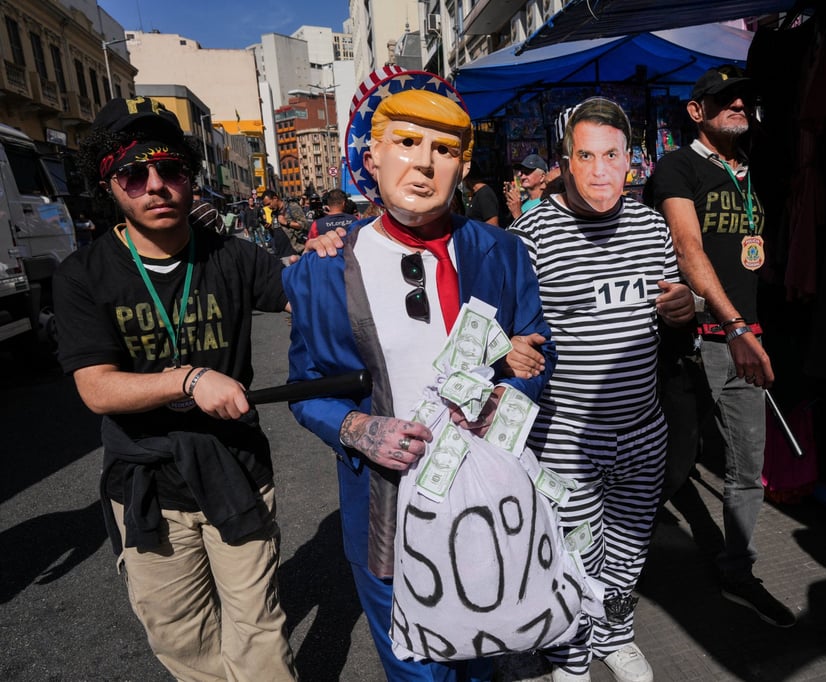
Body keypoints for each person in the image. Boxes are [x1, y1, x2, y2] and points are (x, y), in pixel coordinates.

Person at [284, 68, 556, 681]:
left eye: (445, 150)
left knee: (486, 660)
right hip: (390, 510)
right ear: (373, 154)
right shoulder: (328, 269)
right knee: (417, 670)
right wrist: (358, 429)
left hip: (487, 502)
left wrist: (505, 395)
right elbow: (307, 392)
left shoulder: (503, 252)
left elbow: (541, 350)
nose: (425, 164)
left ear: (462, 166)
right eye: (407, 143)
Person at [51, 96, 297, 680]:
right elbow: (97, 389)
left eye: (172, 170)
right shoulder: (82, 276)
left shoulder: (235, 257)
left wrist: (327, 260)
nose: (156, 185)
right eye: (134, 174)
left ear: (190, 178)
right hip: (148, 484)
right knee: (182, 638)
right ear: (109, 184)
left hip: (236, 469)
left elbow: (310, 296)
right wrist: (187, 378)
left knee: (258, 630)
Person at [506, 96, 695, 682]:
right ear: (565, 161)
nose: (599, 170)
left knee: (629, 548)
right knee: (575, 554)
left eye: (612, 155)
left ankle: (617, 635)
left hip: (644, 430)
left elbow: (675, 310)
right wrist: (509, 344)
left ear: (631, 160)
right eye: (585, 155)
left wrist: (685, 308)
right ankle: (571, 651)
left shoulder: (649, 224)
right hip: (567, 438)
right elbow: (501, 318)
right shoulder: (531, 231)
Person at [643, 65, 797, 629]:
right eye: (723, 98)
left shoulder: (754, 170)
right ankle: (621, 562)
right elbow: (687, 248)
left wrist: (749, 330)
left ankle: (737, 568)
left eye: (742, 99)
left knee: (747, 464)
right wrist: (734, 327)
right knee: (674, 463)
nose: (737, 105)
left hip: (742, 335)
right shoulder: (677, 167)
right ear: (695, 111)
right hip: (693, 339)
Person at [261, 189, 308, 255]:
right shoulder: (274, 213)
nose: (268, 207)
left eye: (269, 203)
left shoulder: (292, 207)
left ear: (275, 198)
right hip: (281, 254)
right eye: (266, 205)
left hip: (295, 251)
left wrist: (287, 223)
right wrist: (269, 228)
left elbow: (305, 225)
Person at [503, 152, 547, 220]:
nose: (522, 177)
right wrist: (511, 201)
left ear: (542, 177)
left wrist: (517, 214)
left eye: (527, 172)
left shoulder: (547, 203)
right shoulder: (523, 202)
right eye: (521, 173)